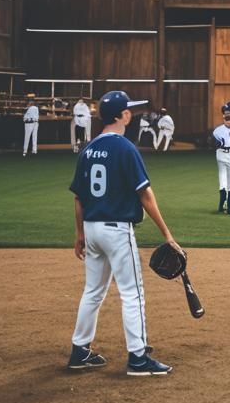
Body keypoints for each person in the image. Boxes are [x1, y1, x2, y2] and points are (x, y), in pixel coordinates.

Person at [67, 89, 183, 377]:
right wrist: (167, 234)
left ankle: (79, 351)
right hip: (117, 231)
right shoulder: (125, 149)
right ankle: (138, 358)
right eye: (128, 109)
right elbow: (144, 194)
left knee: (93, 291)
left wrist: (80, 235)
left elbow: (78, 198)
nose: (131, 113)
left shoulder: (88, 149)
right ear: (122, 116)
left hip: (92, 229)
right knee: (133, 292)